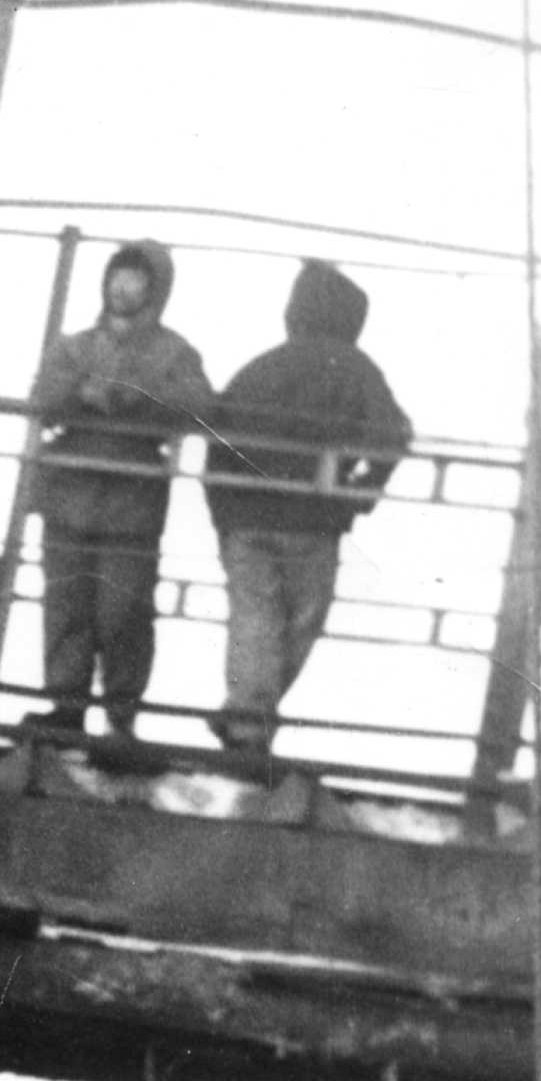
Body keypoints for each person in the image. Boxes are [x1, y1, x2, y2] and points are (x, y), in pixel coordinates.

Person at [201, 260, 410, 767]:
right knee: (301, 622)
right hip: (314, 521)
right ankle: (248, 724)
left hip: (246, 515)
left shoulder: (262, 365)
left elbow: (218, 438)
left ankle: (246, 716)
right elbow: (393, 434)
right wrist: (360, 491)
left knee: (255, 619)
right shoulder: (356, 368)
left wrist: (222, 513)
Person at [28, 238, 210, 761]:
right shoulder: (75, 346)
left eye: (136, 279)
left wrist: (137, 394)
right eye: (117, 276)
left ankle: (121, 722)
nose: (123, 287)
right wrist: (81, 393)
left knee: (123, 614)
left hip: (132, 504)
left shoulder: (175, 352)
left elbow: (200, 403)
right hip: (70, 496)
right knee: (66, 608)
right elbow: (42, 394)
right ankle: (66, 710)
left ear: (156, 290)